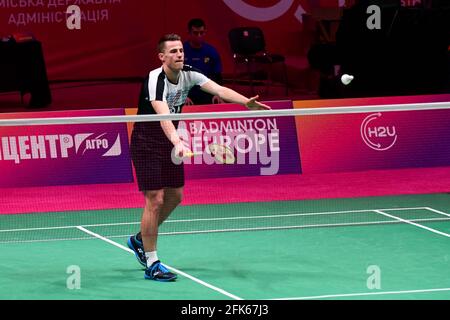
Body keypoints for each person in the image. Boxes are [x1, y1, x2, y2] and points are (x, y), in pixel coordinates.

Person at [128, 33, 271, 282]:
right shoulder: (155, 78)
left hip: (171, 141)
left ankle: (140, 239)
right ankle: (152, 262)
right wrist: (177, 141)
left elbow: (219, 89)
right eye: (173, 51)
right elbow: (161, 112)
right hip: (147, 142)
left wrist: (245, 102)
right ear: (161, 56)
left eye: (181, 50)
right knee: (156, 199)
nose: (179, 54)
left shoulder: (189, 73)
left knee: (176, 196)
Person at [183, 18, 223, 105]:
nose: (199, 36)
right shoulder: (181, 51)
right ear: (189, 33)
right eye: (195, 33)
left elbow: (217, 76)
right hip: (187, 94)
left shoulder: (211, 51)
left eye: (202, 33)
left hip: (207, 93)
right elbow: (174, 77)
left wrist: (217, 94)